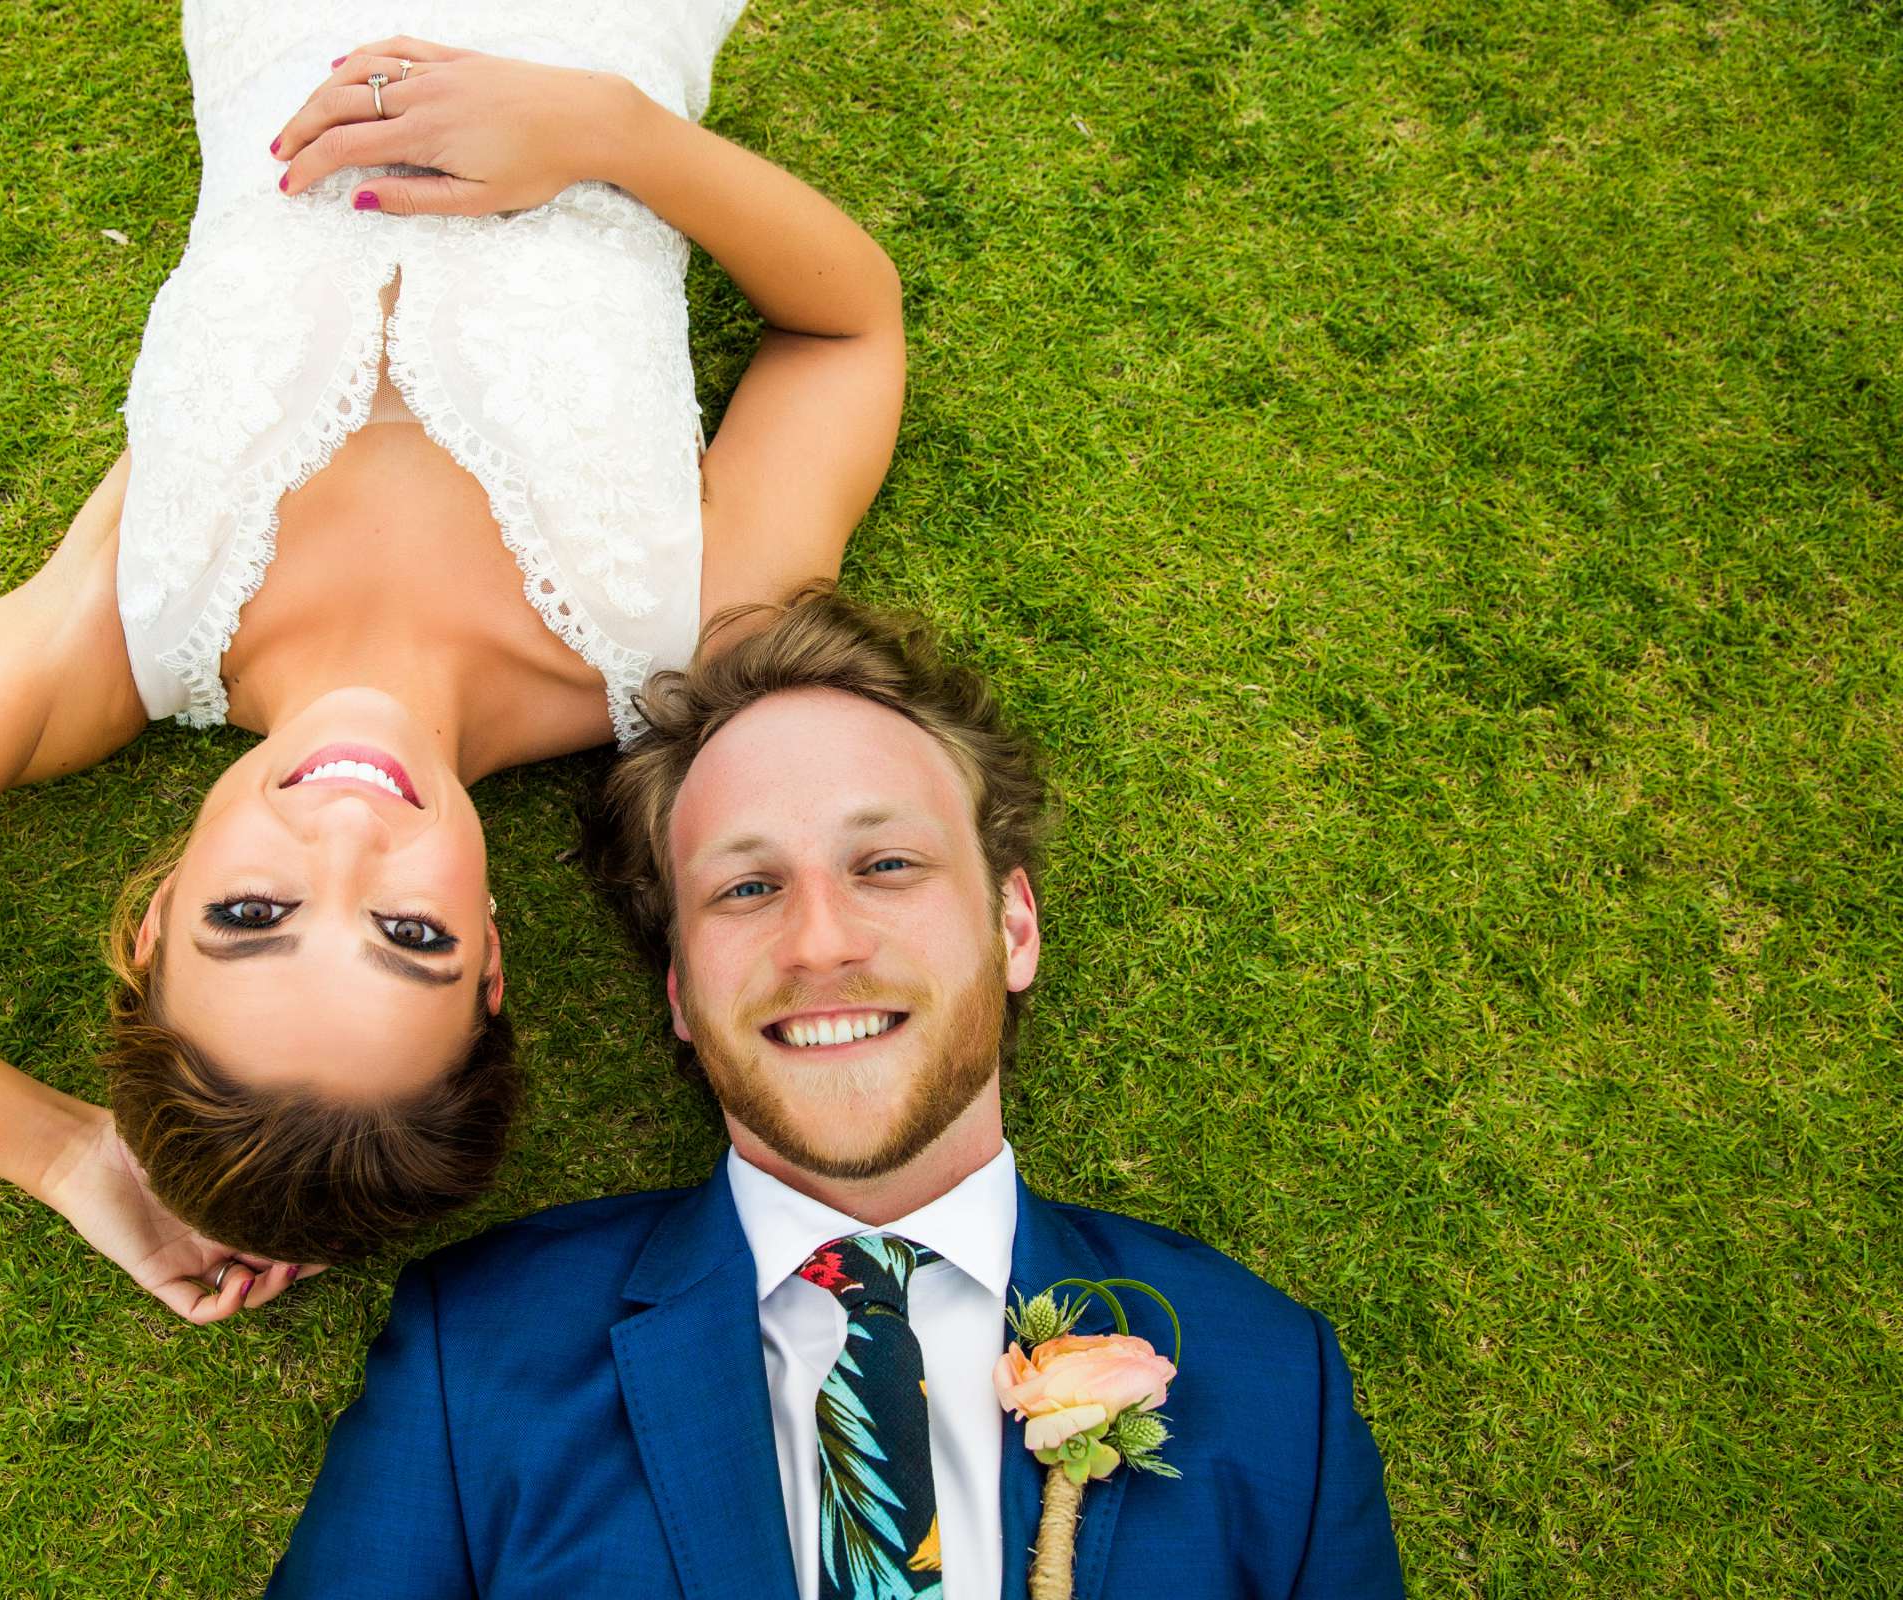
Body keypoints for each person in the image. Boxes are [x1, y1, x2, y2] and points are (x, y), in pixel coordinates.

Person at [0, 18, 904, 1324]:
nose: (348, 841)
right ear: (492, 960)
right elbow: (846, 332)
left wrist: (63, 1151)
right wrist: (614, 132)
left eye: (251, 917)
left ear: (152, 921)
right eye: (410, 939)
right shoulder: (685, 641)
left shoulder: (106, 636)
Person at [263, 592, 1404, 1599]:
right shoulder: (480, 1356)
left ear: (1013, 925)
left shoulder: (1270, 1384)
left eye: (886, 864)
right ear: (679, 990)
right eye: (748, 885)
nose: (818, 940)